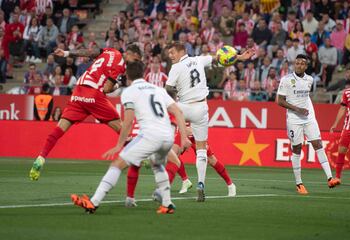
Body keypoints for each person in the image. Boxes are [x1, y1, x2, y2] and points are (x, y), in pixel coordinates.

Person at [71, 61, 191, 214]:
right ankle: (167, 204)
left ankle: (93, 202)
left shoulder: (129, 91)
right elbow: (178, 112)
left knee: (117, 164)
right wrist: (184, 138)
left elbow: (127, 122)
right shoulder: (158, 89)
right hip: (167, 136)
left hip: (149, 135)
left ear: (127, 75)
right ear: (143, 73)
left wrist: (119, 144)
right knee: (158, 165)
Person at [29, 45, 142, 181]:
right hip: (94, 94)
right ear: (133, 54)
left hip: (78, 91)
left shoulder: (111, 51)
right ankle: (142, 157)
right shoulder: (120, 65)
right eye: (137, 59)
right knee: (122, 128)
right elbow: (106, 89)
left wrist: (66, 53)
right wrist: (119, 85)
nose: (136, 63)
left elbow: (89, 52)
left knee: (59, 128)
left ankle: (41, 157)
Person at [165, 42, 254, 201]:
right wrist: (239, 57)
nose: (170, 56)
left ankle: (153, 148)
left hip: (183, 108)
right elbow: (218, 58)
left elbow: (168, 89)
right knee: (201, 150)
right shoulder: (199, 60)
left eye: (172, 52)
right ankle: (200, 183)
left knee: (167, 131)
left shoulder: (176, 68)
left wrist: (175, 94)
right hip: (201, 108)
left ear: (181, 51)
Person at [276, 54, 339, 195]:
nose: (298, 65)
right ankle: (299, 183)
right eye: (296, 63)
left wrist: (309, 112)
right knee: (297, 148)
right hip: (293, 119)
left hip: (308, 119)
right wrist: (298, 109)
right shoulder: (286, 80)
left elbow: (304, 97)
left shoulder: (310, 80)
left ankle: (330, 178)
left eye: (302, 63)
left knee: (318, 144)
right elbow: (279, 101)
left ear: (306, 66)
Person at [173, 126, 236, 196]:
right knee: (173, 155)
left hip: (196, 136)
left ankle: (230, 185)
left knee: (211, 160)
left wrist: (189, 133)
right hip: (181, 134)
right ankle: (185, 181)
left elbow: (197, 122)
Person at [330, 69, 350, 183]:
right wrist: (335, 124)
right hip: (348, 127)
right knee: (341, 150)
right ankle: (337, 177)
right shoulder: (347, 92)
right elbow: (342, 108)